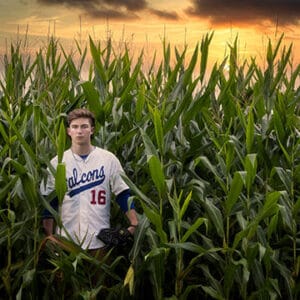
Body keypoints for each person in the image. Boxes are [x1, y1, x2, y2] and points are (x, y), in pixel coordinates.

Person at [41, 108, 138, 253]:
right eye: (75, 127)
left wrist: (134, 224)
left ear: (92, 130)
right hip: (66, 241)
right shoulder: (57, 163)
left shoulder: (108, 159)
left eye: (84, 126)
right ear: (68, 131)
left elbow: (123, 193)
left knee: (99, 276)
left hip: (99, 241)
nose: (79, 131)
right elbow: (49, 203)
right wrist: (50, 237)